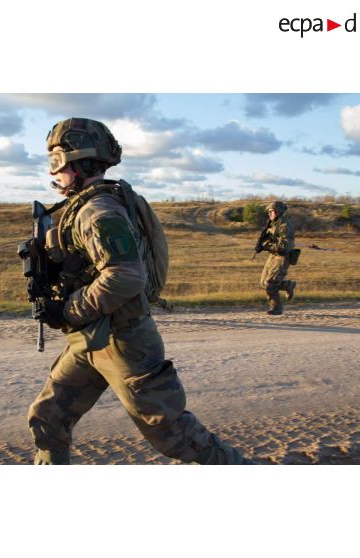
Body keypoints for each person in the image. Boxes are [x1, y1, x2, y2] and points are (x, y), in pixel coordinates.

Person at [27, 117, 255, 465]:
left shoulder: (99, 212)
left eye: (56, 162)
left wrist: (68, 309)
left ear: (81, 163)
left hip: (124, 342)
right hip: (90, 337)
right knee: (48, 418)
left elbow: (125, 276)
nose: (52, 172)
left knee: (174, 436)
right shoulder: (85, 207)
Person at [259, 201, 296, 316]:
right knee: (264, 282)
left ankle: (277, 308)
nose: (269, 214)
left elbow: (284, 246)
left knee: (270, 284)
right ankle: (287, 285)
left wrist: (266, 245)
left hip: (282, 257)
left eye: (271, 211)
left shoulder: (285, 225)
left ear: (278, 212)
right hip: (273, 255)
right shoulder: (273, 223)